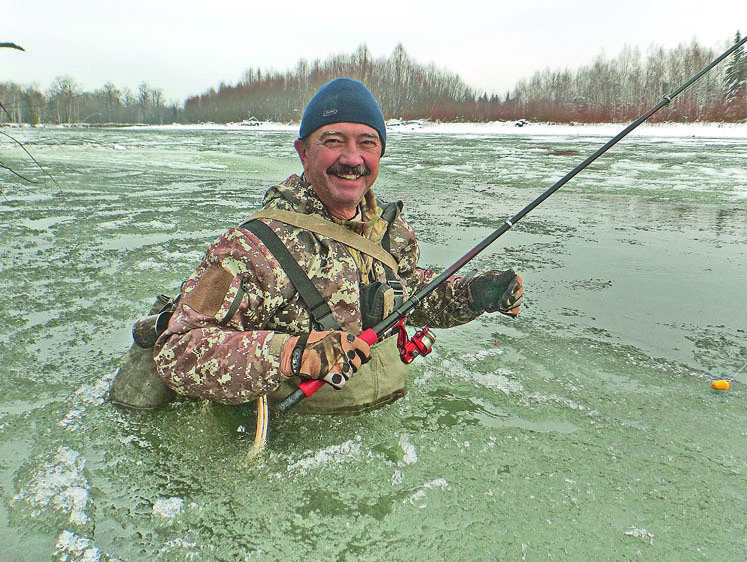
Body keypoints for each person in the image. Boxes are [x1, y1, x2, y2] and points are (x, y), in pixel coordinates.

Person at [153, 78, 523, 413]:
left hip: (384, 429)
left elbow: (411, 294)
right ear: (304, 153)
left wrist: (473, 293)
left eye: (367, 143)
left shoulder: (388, 232)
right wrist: (292, 355)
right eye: (333, 142)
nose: (352, 158)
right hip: (295, 445)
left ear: (379, 154)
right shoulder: (251, 247)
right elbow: (179, 351)